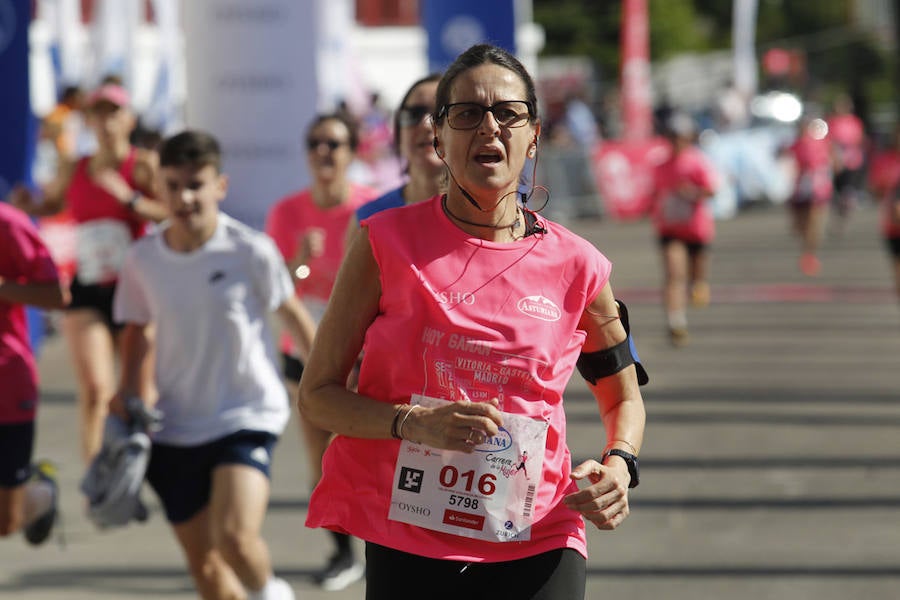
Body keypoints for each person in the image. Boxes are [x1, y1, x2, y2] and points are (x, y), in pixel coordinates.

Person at [299, 44, 647, 600]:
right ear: (438, 139)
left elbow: (623, 396)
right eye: (466, 114)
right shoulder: (384, 242)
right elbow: (316, 396)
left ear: (533, 134)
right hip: (408, 533)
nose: (489, 127)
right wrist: (413, 423)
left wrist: (619, 465)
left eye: (507, 113)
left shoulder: (579, 264)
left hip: (539, 532)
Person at [111, 130, 315, 600]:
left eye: (196, 183)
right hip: (174, 427)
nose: (185, 197)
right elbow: (137, 331)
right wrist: (127, 398)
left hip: (246, 414)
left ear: (219, 186)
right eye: (173, 184)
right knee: (206, 571)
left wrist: (328, 384)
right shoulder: (142, 260)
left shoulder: (250, 250)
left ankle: (271, 593)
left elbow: (296, 319)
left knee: (235, 541)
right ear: (157, 188)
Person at [12, 83, 168, 464]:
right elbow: (52, 204)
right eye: (98, 113)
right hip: (87, 289)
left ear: (128, 119)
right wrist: (30, 204)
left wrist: (128, 198)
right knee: (97, 389)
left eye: (113, 112)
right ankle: (95, 477)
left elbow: (170, 213)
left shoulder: (143, 165)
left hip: (135, 290)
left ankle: (139, 469)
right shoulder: (77, 166)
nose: (105, 121)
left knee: (139, 394)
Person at [265, 112, 377, 590]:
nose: (323, 153)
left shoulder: (371, 210)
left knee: (375, 455)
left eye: (333, 144)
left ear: (352, 152)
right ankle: (341, 552)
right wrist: (298, 263)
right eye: (315, 143)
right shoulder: (287, 212)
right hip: (306, 353)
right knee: (322, 458)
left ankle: (389, 546)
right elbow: (274, 290)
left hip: (367, 354)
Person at [0, 201, 69, 546]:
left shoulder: (8, 224)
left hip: (7, 384)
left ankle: (41, 493)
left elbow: (57, 295)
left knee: (6, 522)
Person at [651, 112, 718, 347]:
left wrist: (692, 193)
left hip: (696, 229)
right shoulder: (660, 166)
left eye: (680, 137)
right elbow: (655, 194)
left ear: (689, 138)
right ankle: (675, 322)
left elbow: (712, 190)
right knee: (674, 274)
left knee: (695, 277)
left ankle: (699, 284)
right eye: (672, 137)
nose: (676, 142)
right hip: (670, 229)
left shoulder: (697, 161)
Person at [351, 73, 444, 228]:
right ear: (398, 132)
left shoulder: (487, 215)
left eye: (440, 113)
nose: (426, 124)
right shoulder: (369, 219)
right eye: (414, 114)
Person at [785, 116, 833, 276]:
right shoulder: (796, 145)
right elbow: (787, 161)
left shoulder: (821, 143)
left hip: (817, 187)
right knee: (800, 224)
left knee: (814, 221)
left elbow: (829, 161)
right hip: (800, 187)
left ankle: (809, 254)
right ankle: (807, 246)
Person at [867, 125, 900, 304]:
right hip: (892, 225)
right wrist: (882, 187)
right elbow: (874, 192)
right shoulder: (883, 161)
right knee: (897, 265)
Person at [826, 93, 867, 234]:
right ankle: (838, 215)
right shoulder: (831, 122)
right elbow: (828, 142)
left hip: (852, 161)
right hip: (836, 161)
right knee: (836, 192)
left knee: (847, 191)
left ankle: (844, 216)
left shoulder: (855, 122)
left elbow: (858, 140)